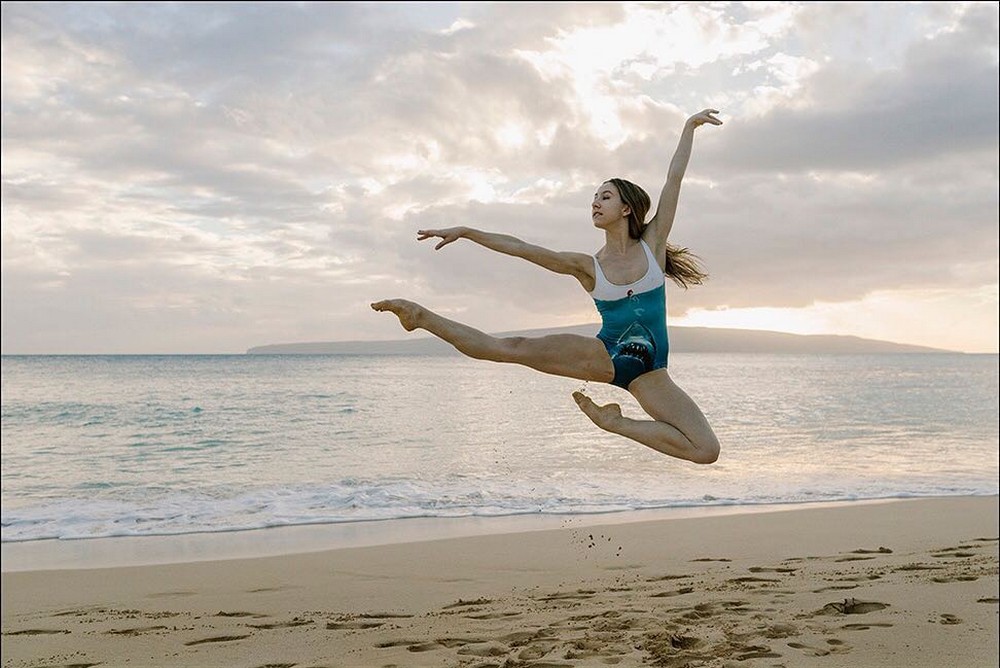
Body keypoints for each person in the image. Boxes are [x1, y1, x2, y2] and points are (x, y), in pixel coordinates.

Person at [372, 109, 723, 464]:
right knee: (509, 347)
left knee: (706, 450)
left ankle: (613, 423)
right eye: (594, 197)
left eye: (605, 196)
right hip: (604, 357)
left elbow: (673, 180)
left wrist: (688, 127)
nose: (595, 203)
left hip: (651, 373)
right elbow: (524, 249)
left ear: (627, 209)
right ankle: (419, 316)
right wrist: (466, 232)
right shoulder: (588, 266)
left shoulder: (653, 244)